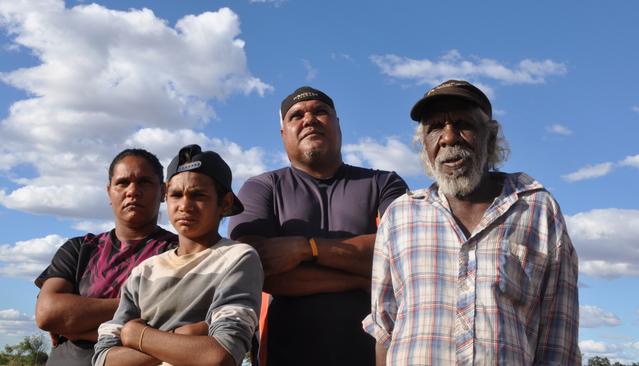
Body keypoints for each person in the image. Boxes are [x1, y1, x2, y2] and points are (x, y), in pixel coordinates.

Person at [362, 80, 581, 365]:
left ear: (490, 138)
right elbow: (384, 328)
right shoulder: (400, 216)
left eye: (463, 124)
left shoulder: (537, 209)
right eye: (435, 127)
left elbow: (558, 339)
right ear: (425, 144)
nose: (449, 138)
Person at [228, 86, 409, 366]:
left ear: (338, 124)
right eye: (296, 115)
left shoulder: (384, 183)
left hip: (377, 356)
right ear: (282, 134)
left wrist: (304, 248)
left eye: (320, 112)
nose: (309, 119)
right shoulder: (261, 188)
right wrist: (362, 279)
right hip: (282, 355)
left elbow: (400, 257)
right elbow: (253, 271)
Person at [93, 144, 263, 366]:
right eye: (175, 195)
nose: (185, 205)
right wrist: (184, 337)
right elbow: (104, 359)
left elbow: (221, 355)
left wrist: (137, 335)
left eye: (198, 195)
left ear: (226, 203)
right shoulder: (145, 271)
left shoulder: (238, 258)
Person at [34, 148, 177, 366]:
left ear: (163, 191)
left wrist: (79, 326)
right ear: (109, 191)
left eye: (144, 182)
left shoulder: (179, 252)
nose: (133, 191)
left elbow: (179, 319)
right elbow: (48, 313)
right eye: (122, 183)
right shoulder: (79, 249)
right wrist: (140, 314)